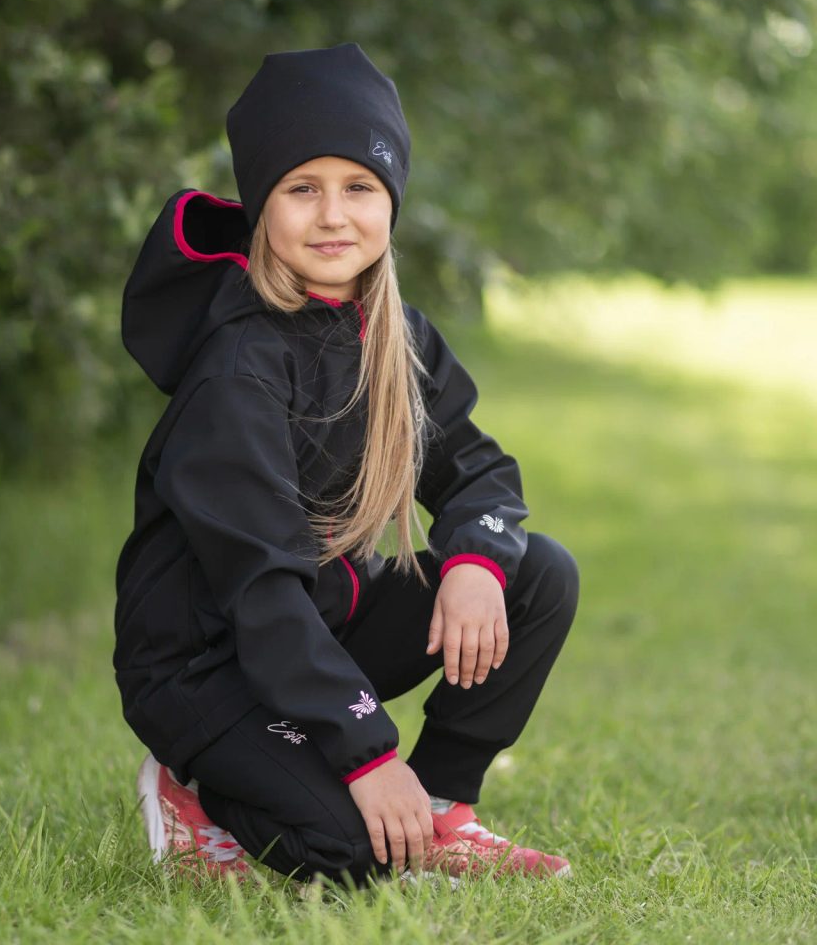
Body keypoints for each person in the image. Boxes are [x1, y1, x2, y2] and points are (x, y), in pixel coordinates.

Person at [113, 43, 579, 888]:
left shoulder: (396, 333)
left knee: (536, 573)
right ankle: (191, 791)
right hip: (208, 664)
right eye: (302, 188)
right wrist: (366, 753)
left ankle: (440, 810)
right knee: (353, 855)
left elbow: (479, 470)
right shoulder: (237, 368)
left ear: (392, 199)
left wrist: (474, 564)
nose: (333, 215)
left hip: (318, 624)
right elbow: (260, 589)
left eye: (359, 186)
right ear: (261, 203)